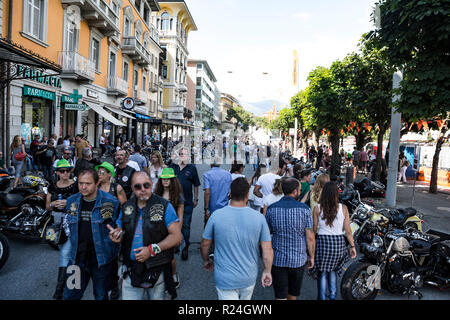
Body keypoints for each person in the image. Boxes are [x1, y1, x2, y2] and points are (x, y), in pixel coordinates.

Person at [108, 171, 181, 300]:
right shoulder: (126, 207)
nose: (142, 189)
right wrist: (117, 236)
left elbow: (176, 237)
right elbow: (120, 229)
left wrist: (151, 250)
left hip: (156, 269)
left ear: (152, 184)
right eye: (138, 186)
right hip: (130, 269)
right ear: (132, 188)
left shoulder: (164, 206)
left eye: (146, 185)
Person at [201, 178, 273, 300]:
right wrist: (267, 270)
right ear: (247, 195)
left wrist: (206, 260)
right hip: (249, 276)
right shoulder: (259, 218)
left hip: (224, 278)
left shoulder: (216, 215)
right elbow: (267, 249)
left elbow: (205, 244)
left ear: (230, 193)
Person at [63, 168, 121, 300]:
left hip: (100, 261)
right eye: (80, 183)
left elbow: (120, 226)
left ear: (96, 183)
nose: (83, 187)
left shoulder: (111, 202)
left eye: (88, 184)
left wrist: (118, 235)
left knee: (100, 296)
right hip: (76, 260)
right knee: (70, 296)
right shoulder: (72, 201)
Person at [265, 178, 315, 300]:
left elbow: (267, 233)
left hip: (278, 259)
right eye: (299, 190)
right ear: (294, 191)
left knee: (280, 295)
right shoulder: (305, 210)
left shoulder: (272, 209)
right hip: (298, 260)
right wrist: (312, 256)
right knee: (293, 295)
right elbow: (310, 237)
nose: (299, 191)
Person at [312, 182, 357, 300]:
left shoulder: (317, 208)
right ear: (336, 194)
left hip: (322, 243)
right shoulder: (344, 208)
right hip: (338, 244)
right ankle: (332, 296)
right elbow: (348, 231)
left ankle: (321, 297)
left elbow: (314, 229)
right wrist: (352, 246)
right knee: (332, 271)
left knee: (322, 273)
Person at [46, 159, 78, 300]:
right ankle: (66, 287)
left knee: (68, 253)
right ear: (57, 172)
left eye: (67, 170)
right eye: (62, 171)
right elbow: (47, 206)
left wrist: (68, 203)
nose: (65, 173)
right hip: (58, 223)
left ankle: (63, 289)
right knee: (66, 253)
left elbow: (83, 203)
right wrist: (53, 203)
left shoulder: (76, 186)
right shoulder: (53, 186)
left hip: (74, 222)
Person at [153, 168, 184, 289]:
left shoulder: (178, 197)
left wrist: (178, 235)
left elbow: (180, 217)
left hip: (172, 229)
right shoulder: (156, 195)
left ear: (173, 180)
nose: (165, 181)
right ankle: (160, 277)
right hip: (157, 229)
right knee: (157, 253)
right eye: (163, 178)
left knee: (170, 256)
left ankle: (173, 275)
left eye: (168, 178)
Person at [170, 147, 201, 261]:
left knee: (186, 225)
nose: (183, 156)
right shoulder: (172, 167)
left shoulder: (192, 168)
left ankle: (186, 246)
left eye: (185, 154)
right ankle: (174, 244)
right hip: (173, 202)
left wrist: (196, 199)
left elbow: (196, 184)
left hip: (187, 202)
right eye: (181, 154)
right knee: (172, 224)